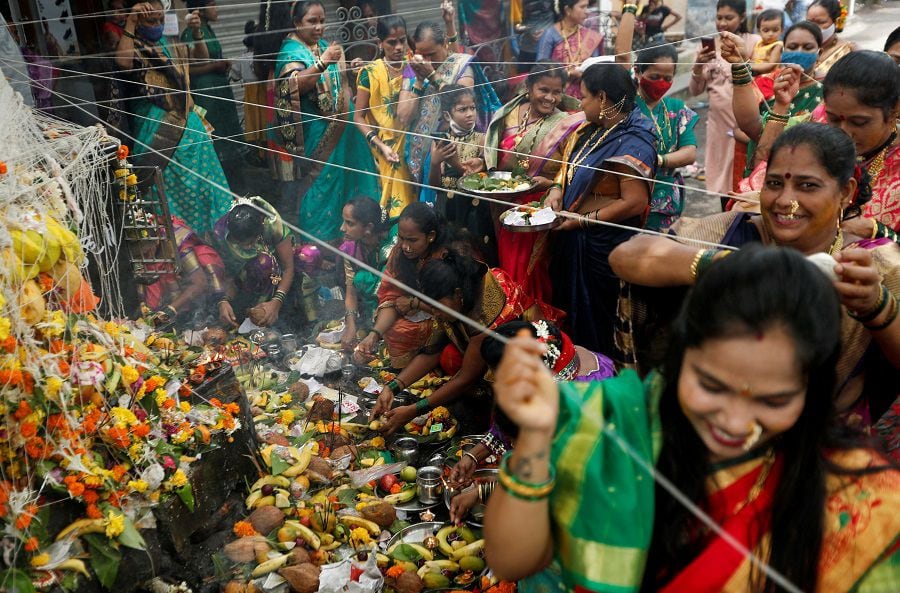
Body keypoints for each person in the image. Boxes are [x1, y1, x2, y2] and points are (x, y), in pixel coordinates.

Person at [484, 246, 900, 593]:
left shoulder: (861, 495)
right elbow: (512, 560)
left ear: (811, 391)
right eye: (712, 386)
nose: (736, 422)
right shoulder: (610, 422)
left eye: (774, 400)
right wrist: (535, 439)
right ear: (681, 356)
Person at [610, 123, 900, 434]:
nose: (785, 201)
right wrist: (736, 267)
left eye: (808, 186)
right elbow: (626, 256)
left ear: (846, 193)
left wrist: (876, 306)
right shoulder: (730, 232)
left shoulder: (875, 265)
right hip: (715, 433)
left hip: (821, 446)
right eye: (774, 183)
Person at [370, 249, 561, 435]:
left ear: (458, 293)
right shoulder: (450, 299)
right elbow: (432, 352)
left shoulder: (485, 316)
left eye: (437, 306)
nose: (434, 313)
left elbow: (465, 378)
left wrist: (413, 410)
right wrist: (392, 387)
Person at [448, 318, 617, 524]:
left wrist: (482, 491)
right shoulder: (555, 359)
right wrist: (473, 456)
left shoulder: (574, 408)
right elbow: (508, 425)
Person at [544, 59, 656, 358]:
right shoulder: (591, 129)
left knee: (598, 319)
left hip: (602, 247)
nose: (580, 105)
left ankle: (600, 371)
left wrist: (581, 221)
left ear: (603, 98)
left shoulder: (634, 139)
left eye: (583, 97)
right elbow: (568, 167)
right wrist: (556, 190)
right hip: (574, 238)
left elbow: (634, 202)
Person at [115, 0, 232, 234]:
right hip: (158, 137)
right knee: (171, 193)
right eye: (150, 21)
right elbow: (123, 63)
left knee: (206, 189)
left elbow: (201, 57)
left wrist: (197, 33)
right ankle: (184, 249)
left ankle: (217, 245)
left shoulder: (169, 46)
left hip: (191, 134)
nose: (157, 26)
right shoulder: (134, 46)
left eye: (160, 20)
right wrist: (131, 21)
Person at [751, 51, 899, 230]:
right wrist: (781, 106)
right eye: (834, 119)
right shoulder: (819, 129)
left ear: (893, 111)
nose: (844, 132)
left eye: (858, 122)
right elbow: (764, 175)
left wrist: (875, 230)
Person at [271, 0, 379, 239]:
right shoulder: (290, 50)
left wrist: (349, 67)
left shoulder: (322, 45)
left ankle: (360, 234)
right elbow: (294, 86)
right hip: (318, 133)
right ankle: (321, 243)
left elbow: (338, 84)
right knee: (323, 182)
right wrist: (323, 63)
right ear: (297, 23)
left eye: (322, 21)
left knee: (349, 177)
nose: (319, 27)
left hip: (345, 127)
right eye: (312, 21)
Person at [484, 60, 584, 302]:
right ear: (529, 86)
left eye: (557, 92)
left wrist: (550, 186)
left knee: (532, 276)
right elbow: (492, 154)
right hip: (502, 204)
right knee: (506, 266)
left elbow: (571, 172)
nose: (550, 98)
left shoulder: (568, 124)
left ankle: (536, 323)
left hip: (540, 210)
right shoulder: (507, 115)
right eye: (544, 90)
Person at [403, 15, 502, 185]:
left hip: (458, 150)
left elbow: (462, 100)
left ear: (444, 44)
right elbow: (404, 117)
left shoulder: (462, 65)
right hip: (426, 152)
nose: (426, 60)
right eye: (422, 54)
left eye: (431, 54)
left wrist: (433, 76)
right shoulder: (416, 69)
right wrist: (419, 81)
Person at [352, 203, 452, 367]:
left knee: (407, 332)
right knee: (394, 329)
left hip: (446, 318)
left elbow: (451, 308)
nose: (405, 246)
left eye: (412, 240)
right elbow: (391, 296)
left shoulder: (444, 256)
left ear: (431, 236)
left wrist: (415, 303)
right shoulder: (399, 254)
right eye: (401, 238)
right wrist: (373, 335)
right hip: (416, 312)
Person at [727, 21, 824, 178]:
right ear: (783, 51)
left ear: (819, 54)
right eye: (792, 47)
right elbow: (747, 125)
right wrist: (740, 65)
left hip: (811, 174)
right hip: (764, 173)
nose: (799, 52)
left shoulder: (827, 91)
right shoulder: (765, 82)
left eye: (807, 48)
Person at [689, 0, 760, 200]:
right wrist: (698, 65)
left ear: (742, 18)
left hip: (745, 123)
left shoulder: (754, 43)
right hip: (718, 126)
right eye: (719, 17)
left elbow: (763, 81)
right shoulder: (706, 48)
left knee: (743, 177)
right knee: (721, 181)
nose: (722, 23)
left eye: (729, 18)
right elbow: (695, 91)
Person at [354, 15, 419, 217]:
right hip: (389, 148)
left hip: (416, 142)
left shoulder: (415, 66)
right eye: (392, 42)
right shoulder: (370, 73)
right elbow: (358, 117)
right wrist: (379, 145)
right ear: (380, 43)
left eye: (402, 40)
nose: (399, 47)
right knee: (399, 207)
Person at [209, 197, 302, 329]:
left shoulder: (272, 224)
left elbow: (288, 268)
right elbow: (227, 275)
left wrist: (276, 302)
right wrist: (223, 301)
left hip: (276, 274)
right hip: (244, 282)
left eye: (251, 242)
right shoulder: (221, 234)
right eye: (241, 243)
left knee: (264, 262)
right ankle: (248, 313)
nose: (247, 248)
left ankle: (270, 313)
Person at [633, 44, 699, 231]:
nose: (661, 83)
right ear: (638, 72)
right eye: (654, 77)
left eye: (667, 78)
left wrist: (659, 160)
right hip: (628, 193)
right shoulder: (626, 106)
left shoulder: (677, 108)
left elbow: (689, 152)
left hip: (666, 199)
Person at [428, 84, 495, 262]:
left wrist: (456, 164)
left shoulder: (482, 139)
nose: (470, 114)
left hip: (472, 211)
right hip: (447, 208)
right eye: (462, 109)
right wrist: (435, 163)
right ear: (447, 115)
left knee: (473, 258)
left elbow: (479, 180)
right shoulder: (441, 141)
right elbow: (435, 186)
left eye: (472, 108)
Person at [130, 214, 226, 326]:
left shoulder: (176, 242)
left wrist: (170, 310)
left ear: (156, 241)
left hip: (193, 286)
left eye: (146, 253)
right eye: (138, 256)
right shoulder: (138, 253)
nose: (144, 258)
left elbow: (200, 283)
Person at [180, 0, 244, 167]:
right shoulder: (189, 34)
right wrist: (214, 66)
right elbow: (188, 69)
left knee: (226, 129)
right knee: (215, 132)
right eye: (212, 4)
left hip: (218, 90)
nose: (216, 9)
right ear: (200, 10)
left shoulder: (208, 29)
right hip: (206, 92)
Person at [339, 196, 396, 350]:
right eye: (344, 221)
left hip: (397, 308)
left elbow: (394, 291)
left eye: (349, 223)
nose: (342, 228)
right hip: (371, 312)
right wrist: (351, 326)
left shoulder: (393, 245)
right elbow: (351, 292)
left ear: (368, 228)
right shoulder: (350, 249)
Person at [535, 0, 603, 99]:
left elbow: (598, 67)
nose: (587, 11)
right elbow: (540, 69)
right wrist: (568, 73)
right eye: (582, 7)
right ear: (568, 10)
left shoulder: (590, 36)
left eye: (587, 7)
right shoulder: (550, 35)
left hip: (585, 97)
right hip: (555, 97)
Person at [230, 20, 267, 167]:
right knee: (265, 122)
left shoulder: (242, 58)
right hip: (263, 91)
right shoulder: (263, 55)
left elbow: (234, 76)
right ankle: (266, 154)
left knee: (253, 124)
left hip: (251, 93)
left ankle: (257, 155)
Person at [806, 0, 856, 80]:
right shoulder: (799, 47)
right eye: (809, 22)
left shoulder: (849, 51)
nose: (813, 27)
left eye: (820, 22)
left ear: (836, 22)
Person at [749, 9, 784, 75]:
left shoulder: (777, 46)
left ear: (781, 30)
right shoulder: (758, 43)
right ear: (759, 31)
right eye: (766, 30)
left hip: (768, 77)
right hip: (755, 74)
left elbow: (771, 65)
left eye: (775, 30)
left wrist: (751, 66)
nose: (770, 34)